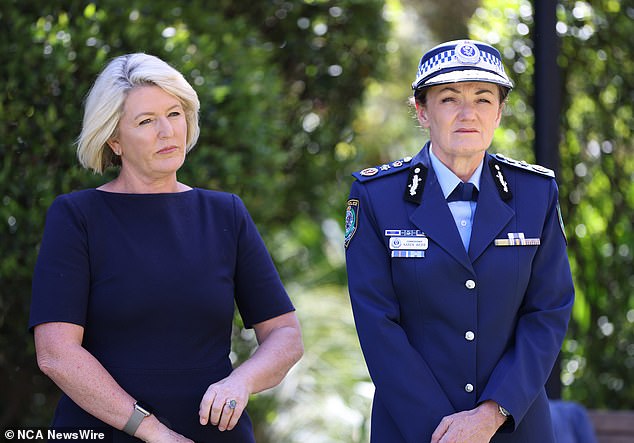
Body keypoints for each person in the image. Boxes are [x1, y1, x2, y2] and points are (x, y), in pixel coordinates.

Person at [29, 53, 303, 442]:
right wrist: (155, 433)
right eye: (145, 121)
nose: (167, 131)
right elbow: (56, 353)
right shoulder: (77, 217)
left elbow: (285, 334)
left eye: (174, 114)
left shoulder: (225, 213)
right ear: (114, 140)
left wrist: (241, 382)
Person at [344, 39, 574, 442]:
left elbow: (548, 311)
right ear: (422, 111)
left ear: (500, 112)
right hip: (414, 430)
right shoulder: (376, 196)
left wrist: (490, 414)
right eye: (449, 98)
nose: (468, 113)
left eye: (483, 99)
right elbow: (378, 325)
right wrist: (444, 431)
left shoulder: (535, 192)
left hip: (513, 425)